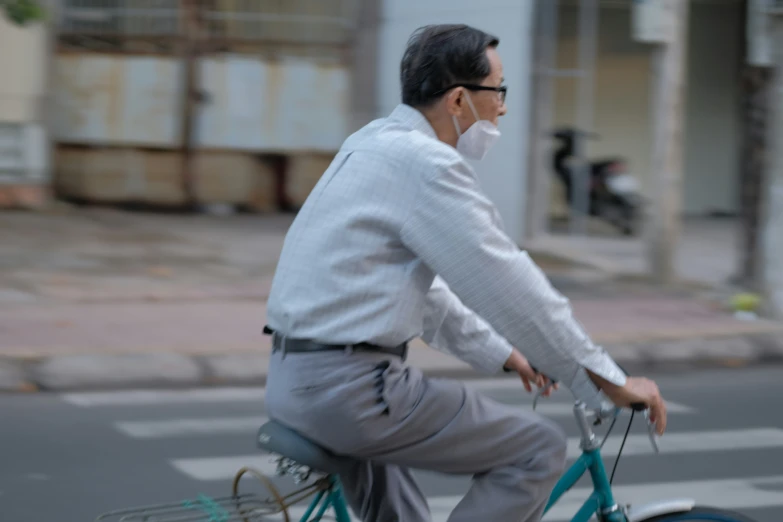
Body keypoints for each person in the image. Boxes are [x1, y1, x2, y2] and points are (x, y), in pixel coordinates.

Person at [263, 23, 667, 522]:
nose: (502, 106)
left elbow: (413, 292)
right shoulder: (427, 165)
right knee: (537, 448)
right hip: (354, 391)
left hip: (295, 381)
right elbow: (509, 286)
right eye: (498, 91)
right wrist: (607, 379)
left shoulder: (370, 143)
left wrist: (504, 354)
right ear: (458, 100)